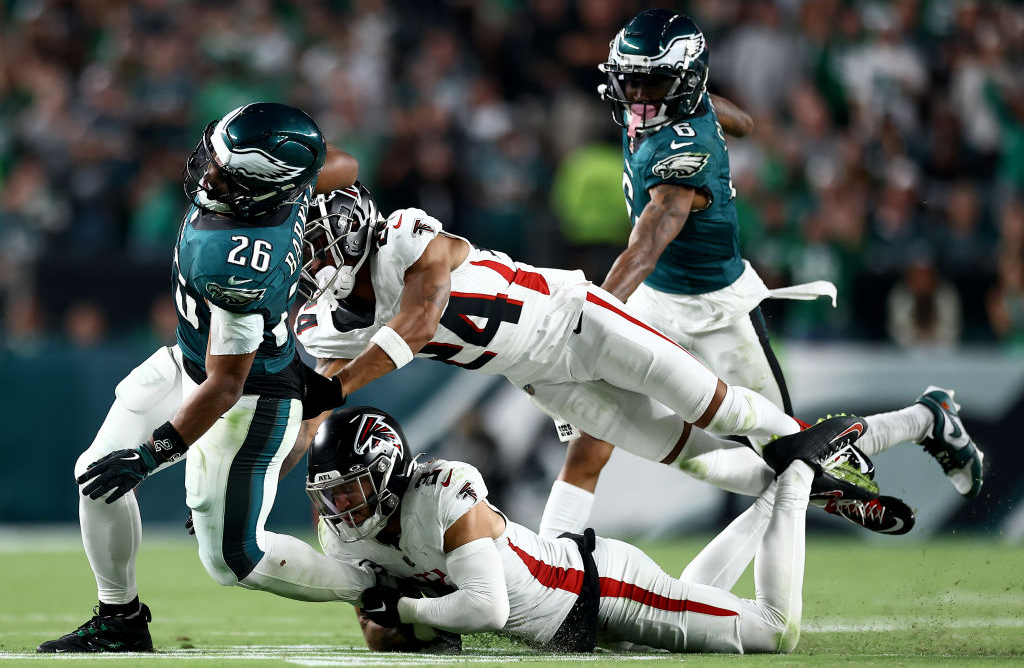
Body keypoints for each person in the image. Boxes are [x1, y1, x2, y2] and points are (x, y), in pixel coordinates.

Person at [290, 186, 982, 536]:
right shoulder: (331, 324)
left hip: (576, 316)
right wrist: (257, 474)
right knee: (696, 456)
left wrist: (332, 385)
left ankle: (917, 421)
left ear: (353, 236)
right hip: (540, 374)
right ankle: (834, 477)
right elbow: (302, 414)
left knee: (724, 408)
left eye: (319, 248)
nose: (312, 264)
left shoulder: (407, 233)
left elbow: (418, 319)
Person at [539, 9, 984, 537]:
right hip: (655, 303)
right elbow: (742, 121)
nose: (637, 96)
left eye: (651, 82)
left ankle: (929, 419)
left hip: (715, 311)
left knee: (795, 457)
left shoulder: (684, 157)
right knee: (592, 431)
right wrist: (716, 111)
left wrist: (587, 317)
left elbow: (643, 251)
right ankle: (549, 568)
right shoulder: (678, 105)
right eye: (629, 80)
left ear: (682, 81)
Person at [38, 103, 361, 654]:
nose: (209, 174)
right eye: (215, 157)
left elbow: (225, 385)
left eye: (228, 173)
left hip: (247, 395)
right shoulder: (291, 188)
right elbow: (344, 165)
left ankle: (381, 589)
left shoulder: (236, 260)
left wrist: (152, 455)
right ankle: (119, 617)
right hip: (191, 358)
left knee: (235, 559)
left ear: (264, 190)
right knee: (95, 474)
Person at [307, 405, 862, 654]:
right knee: (703, 601)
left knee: (774, 631)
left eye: (350, 488)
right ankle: (779, 491)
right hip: (570, 601)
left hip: (602, 593)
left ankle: (797, 473)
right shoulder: (346, 534)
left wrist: (404, 610)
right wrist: (395, 624)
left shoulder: (444, 491)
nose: (341, 508)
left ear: (386, 470)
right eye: (331, 495)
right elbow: (385, 635)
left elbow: (486, 610)